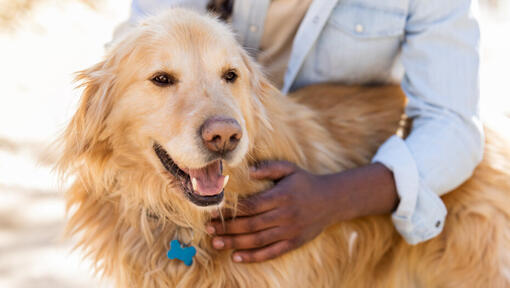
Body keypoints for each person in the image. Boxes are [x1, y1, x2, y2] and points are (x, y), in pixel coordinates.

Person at [121, 0, 484, 263]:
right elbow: (141, 49)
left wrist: (334, 198)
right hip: (222, 164)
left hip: (355, 169)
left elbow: (452, 122)